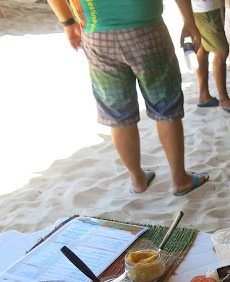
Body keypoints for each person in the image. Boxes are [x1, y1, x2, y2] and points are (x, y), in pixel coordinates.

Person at [45, 0, 209, 196]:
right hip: (146, 28)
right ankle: (180, 179)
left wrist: (68, 23)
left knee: (118, 112)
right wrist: (189, 20)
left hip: (97, 35)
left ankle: (138, 179)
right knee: (165, 104)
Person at [191, 0, 230, 115]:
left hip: (200, 8)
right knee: (221, 51)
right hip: (205, 8)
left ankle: (204, 96)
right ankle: (224, 99)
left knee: (202, 49)